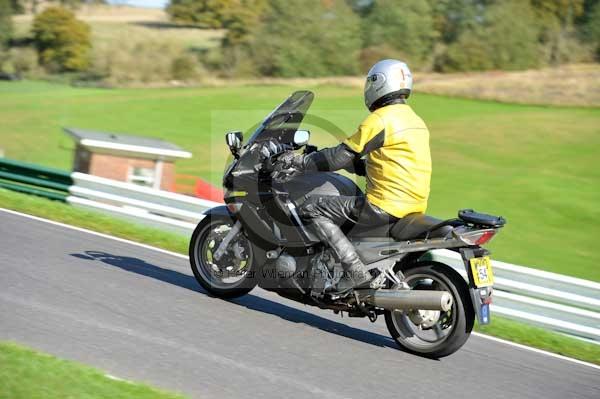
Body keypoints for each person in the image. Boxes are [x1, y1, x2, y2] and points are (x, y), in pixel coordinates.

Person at [278, 59, 432, 292]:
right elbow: (383, 164)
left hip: (384, 205)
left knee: (312, 208)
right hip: (414, 206)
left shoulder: (381, 119)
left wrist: (300, 162)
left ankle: (354, 270)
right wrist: (347, 163)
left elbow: (338, 156)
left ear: (378, 83)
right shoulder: (415, 120)